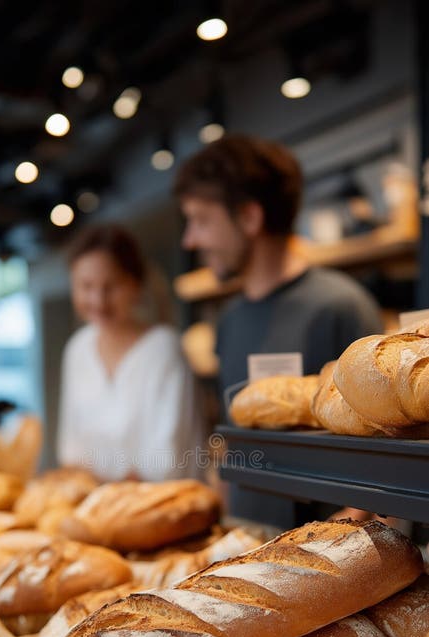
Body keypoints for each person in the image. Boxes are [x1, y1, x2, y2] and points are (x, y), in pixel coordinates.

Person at [174, 135, 383, 524]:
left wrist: (353, 520)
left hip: (324, 557)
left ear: (250, 218)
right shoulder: (230, 319)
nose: (191, 239)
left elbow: (384, 454)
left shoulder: (340, 306)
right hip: (243, 545)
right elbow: (229, 438)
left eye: (201, 220)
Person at [57, 224, 204, 482]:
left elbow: (170, 461)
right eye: (86, 286)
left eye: (111, 286)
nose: (98, 301)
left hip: (162, 509)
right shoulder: (77, 349)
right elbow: (71, 450)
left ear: (135, 285)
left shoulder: (163, 348)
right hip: (96, 510)